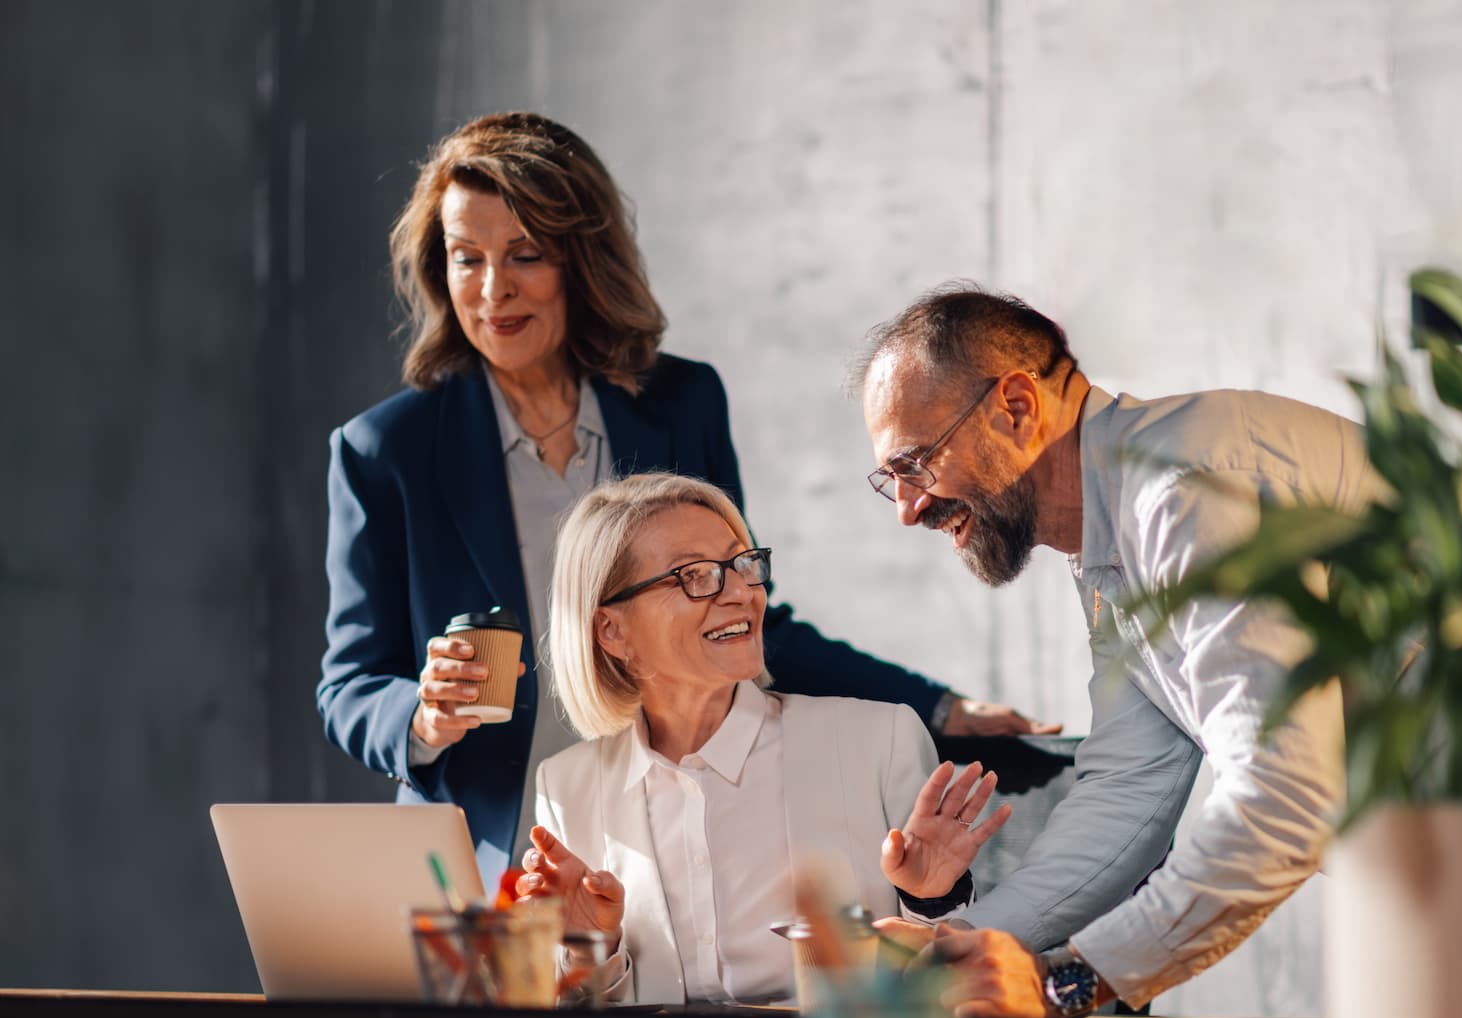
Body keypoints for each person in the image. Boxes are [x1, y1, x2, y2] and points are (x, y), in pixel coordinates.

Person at [317, 114, 1051, 880]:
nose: (493, 289)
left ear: (581, 258)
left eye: (525, 254)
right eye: (467, 259)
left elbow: (744, 613)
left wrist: (939, 709)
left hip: (683, 836)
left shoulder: (681, 404)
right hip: (488, 861)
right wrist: (425, 717)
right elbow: (348, 688)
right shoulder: (384, 451)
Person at [855, 286, 1370, 1018]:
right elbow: (1130, 786)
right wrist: (958, 945)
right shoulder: (1117, 529)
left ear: (1017, 408)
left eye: (915, 463)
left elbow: (1282, 794)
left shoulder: (1184, 493)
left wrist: (1067, 982)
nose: (908, 509)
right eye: (892, 480)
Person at [511, 473, 1008, 1005]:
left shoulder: (878, 742)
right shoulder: (565, 787)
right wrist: (592, 946)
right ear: (612, 631)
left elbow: (954, 985)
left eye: (742, 564)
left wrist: (931, 900)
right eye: (695, 576)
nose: (740, 593)